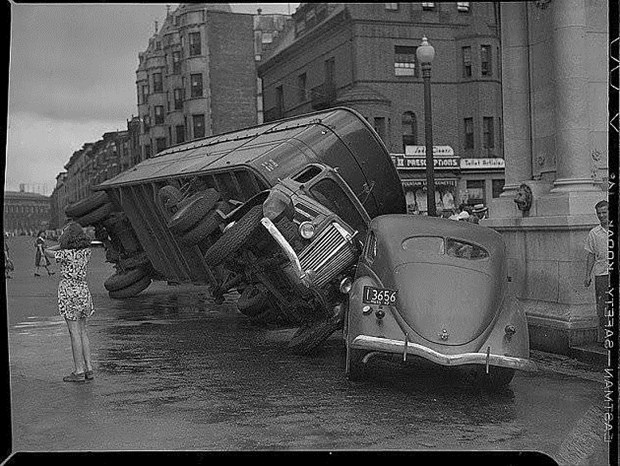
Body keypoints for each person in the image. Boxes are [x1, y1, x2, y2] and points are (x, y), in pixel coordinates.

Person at [44, 222, 95, 383]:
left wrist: (61, 245)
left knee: (74, 333)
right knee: (83, 331)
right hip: (83, 291)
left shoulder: (65, 253)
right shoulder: (86, 252)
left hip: (69, 292)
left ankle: (78, 371)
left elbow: (47, 252)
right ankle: (89, 368)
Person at [583, 200, 609, 344]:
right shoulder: (594, 233)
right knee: (603, 306)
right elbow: (591, 255)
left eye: (604, 212)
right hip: (602, 274)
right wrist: (587, 275)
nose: (601, 216)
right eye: (599, 213)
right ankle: (604, 337)